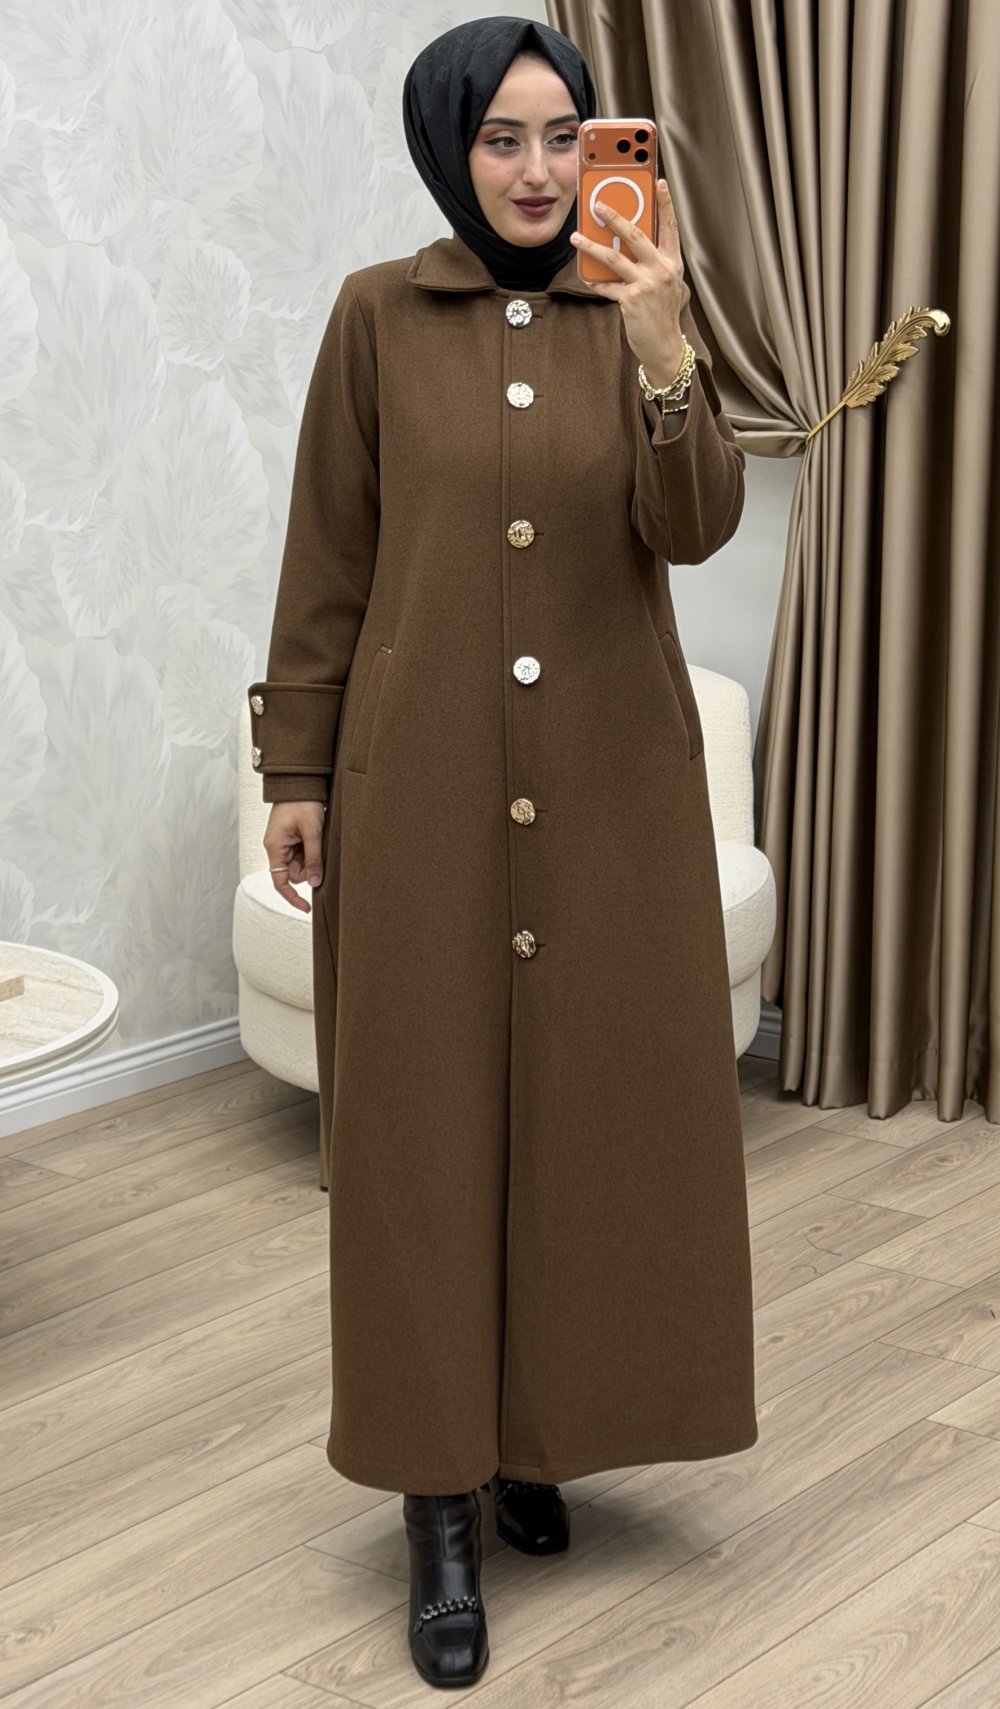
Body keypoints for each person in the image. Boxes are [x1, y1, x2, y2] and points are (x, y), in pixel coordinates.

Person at [247, 15, 758, 1690]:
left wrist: (668, 349)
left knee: (588, 1122)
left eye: (564, 136)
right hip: (423, 792)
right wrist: (297, 765)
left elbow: (693, 527)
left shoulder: (639, 306)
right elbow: (330, 552)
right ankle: (437, 1501)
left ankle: (540, 1436)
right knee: (424, 1135)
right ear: (447, 148)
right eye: (502, 138)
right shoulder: (376, 318)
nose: (539, 171)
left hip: (610, 794)